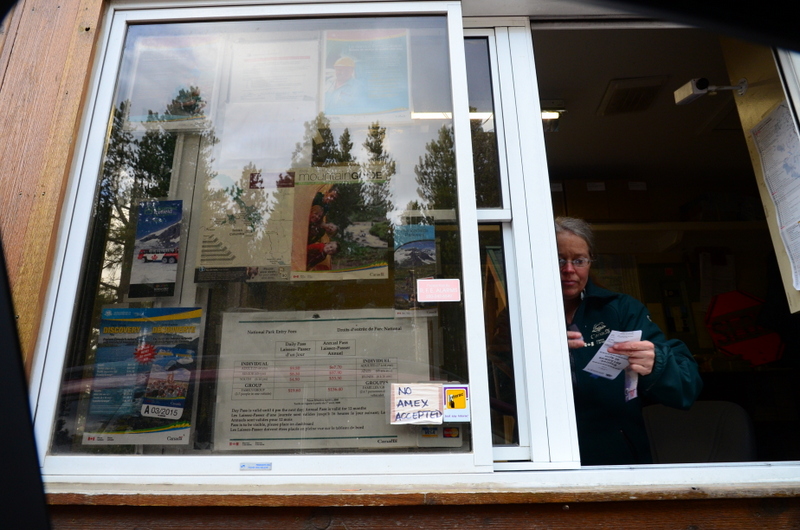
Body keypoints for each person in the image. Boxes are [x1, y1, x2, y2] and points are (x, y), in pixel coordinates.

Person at [555, 216, 702, 465]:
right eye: (559, 259)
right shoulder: (522, 316)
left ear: (590, 262)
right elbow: (497, 387)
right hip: (546, 452)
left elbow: (687, 387)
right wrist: (542, 354)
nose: (569, 269)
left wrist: (657, 363)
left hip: (617, 457)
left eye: (579, 260)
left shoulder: (621, 310)